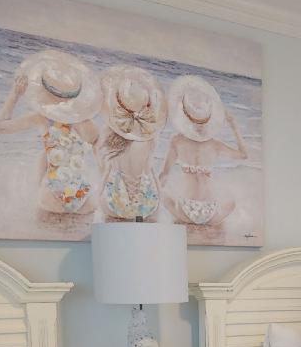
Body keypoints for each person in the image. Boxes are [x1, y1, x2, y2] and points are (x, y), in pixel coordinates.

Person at [0, 49, 102, 216]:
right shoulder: (87, 123)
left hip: (52, 193)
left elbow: (1, 127)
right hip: (83, 195)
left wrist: (14, 95)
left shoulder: (42, 118)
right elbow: (100, 153)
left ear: (44, 93)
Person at [160, 75, 248, 228]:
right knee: (231, 203)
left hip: (184, 209)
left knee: (162, 194)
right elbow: (243, 155)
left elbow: (164, 174)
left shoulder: (177, 141)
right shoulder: (215, 144)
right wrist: (234, 126)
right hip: (211, 212)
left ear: (184, 116)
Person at [96, 65, 165, 221]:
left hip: (116, 201)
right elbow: (150, 170)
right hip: (146, 203)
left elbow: (105, 171)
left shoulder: (108, 131)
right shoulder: (150, 136)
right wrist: (158, 204)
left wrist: (100, 196)